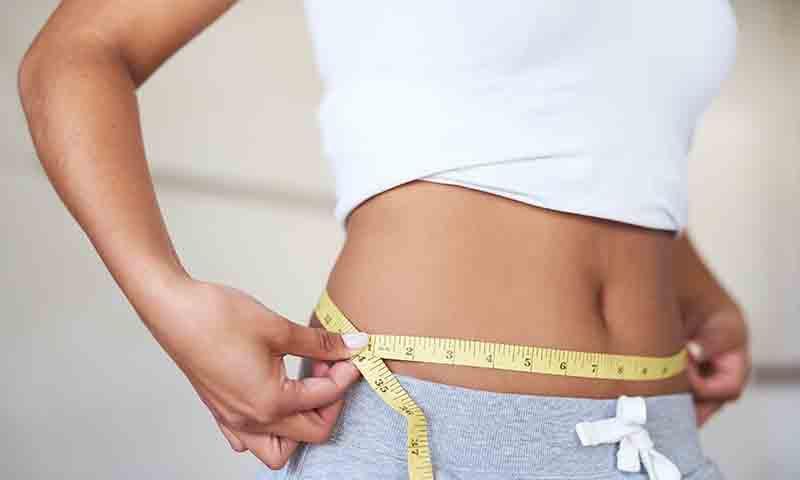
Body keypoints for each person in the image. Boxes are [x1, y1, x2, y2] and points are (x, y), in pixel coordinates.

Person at [18, 1, 750, 479]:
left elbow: (588, 129)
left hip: (661, 440)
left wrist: (693, 281)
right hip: (431, 434)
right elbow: (79, 50)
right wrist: (168, 300)